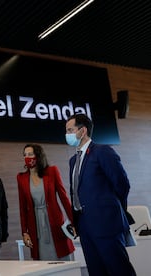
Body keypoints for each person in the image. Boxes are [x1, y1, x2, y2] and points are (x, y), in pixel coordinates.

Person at [65, 113, 136, 276]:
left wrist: (112, 209)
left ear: (82, 131)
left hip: (107, 224)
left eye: (70, 130)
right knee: (96, 271)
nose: (67, 134)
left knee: (120, 270)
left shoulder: (103, 152)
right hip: (85, 227)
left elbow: (122, 184)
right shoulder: (73, 161)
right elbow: (75, 191)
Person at [17, 143, 75, 261]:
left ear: (38, 156)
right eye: (25, 155)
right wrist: (25, 232)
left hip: (55, 221)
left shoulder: (52, 171)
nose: (27, 158)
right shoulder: (21, 177)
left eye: (30, 154)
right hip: (36, 226)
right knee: (43, 261)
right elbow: (22, 207)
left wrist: (74, 222)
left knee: (63, 258)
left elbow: (64, 198)